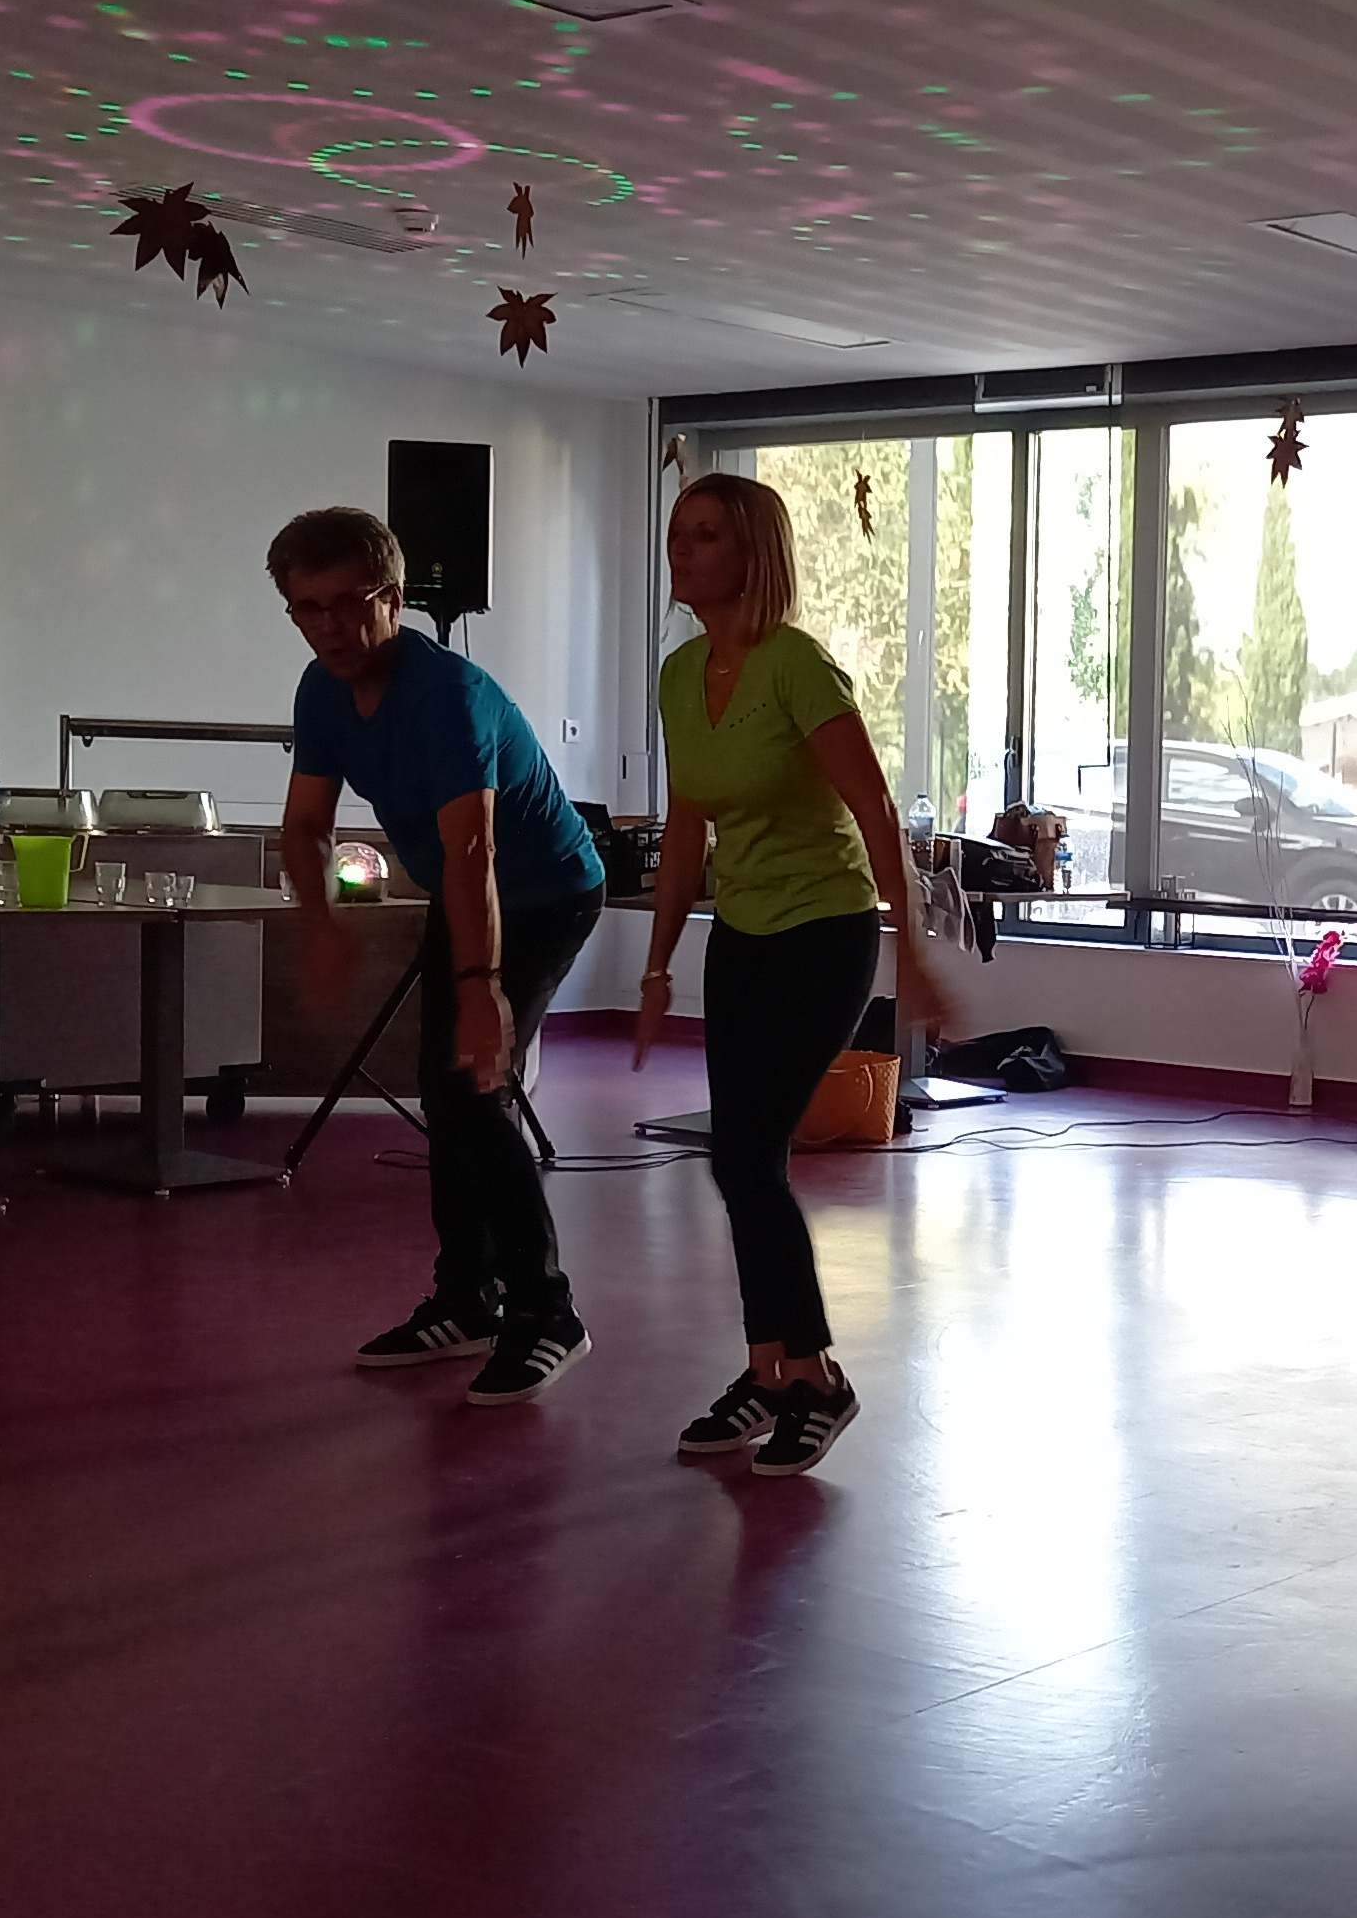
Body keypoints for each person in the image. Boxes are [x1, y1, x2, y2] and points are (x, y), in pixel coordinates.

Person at [634, 473, 949, 1478]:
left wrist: (912, 951)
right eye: (678, 534)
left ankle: (814, 1377)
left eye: (706, 536)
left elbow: (876, 809)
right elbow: (687, 826)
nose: (683, 552)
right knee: (741, 1161)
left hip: (825, 933)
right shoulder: (681, 676)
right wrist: (654, 964)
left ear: (753, 554)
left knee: (747, 1156)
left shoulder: (797, 667)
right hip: (742, 933)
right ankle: (768, 1370)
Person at [272, 507, 613, 1406]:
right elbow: (304, 825)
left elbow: (474, 854)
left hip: (547, 893)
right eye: (308, 609)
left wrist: (482, 989)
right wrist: (319, 925)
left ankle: (547, 1311)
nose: (330, 627)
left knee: (474, 1087)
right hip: (465, 893)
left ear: (393, 599)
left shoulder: (447, 696)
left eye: (349, 604)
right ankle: (468, 1297)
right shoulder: (321, 691)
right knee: (444, 1091)